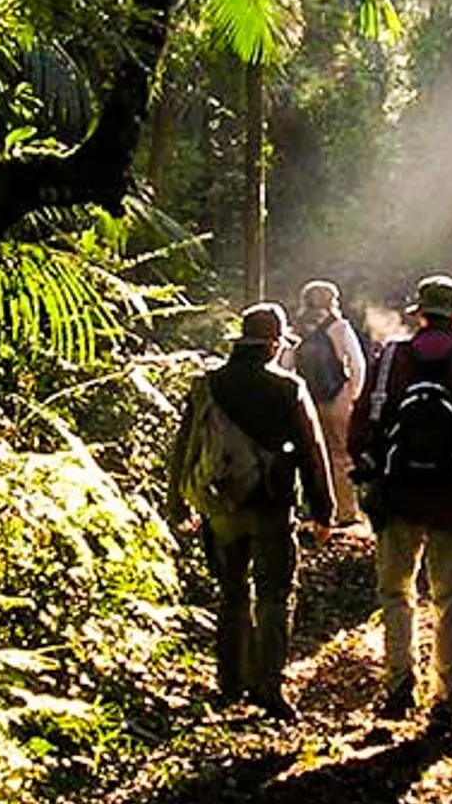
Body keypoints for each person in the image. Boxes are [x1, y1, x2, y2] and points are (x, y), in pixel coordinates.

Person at [350, 275, 452, 727]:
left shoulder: (390, 359)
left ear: (418, 313)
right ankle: (444, 697)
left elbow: (362, 423)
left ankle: (399, 685)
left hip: (397, 493)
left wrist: (368, 472)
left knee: (396, 592)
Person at [167, 303, 335, 722]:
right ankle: (269, 686)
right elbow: (312, 452)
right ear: (275, 344)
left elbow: (184, 447)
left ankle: (229, 681)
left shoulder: (207, 385)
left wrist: (176, 500)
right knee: (275, 594)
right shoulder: (289, 387)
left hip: (220, 505)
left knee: (232, 593)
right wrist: (322, 510)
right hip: (272, 506)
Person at [293, 280, 369, 526]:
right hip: (337, 396)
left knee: (311, 453)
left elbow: (286, 363)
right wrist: (353, 393)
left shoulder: (297, 328)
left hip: (306, 397)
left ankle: (314, 509)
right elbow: (357, 364)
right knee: (341, 455)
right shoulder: (340, 327)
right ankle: (346, 512)